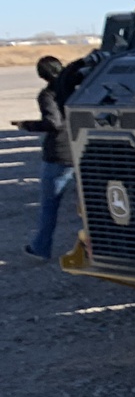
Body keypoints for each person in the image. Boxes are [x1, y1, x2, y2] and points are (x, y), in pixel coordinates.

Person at [17, 56, 74, 261]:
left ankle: (41, 247)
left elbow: (53, 123)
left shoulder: (48, 94)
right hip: (81, 151)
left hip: (59, 155)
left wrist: (27, 125)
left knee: (50, 206)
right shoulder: (76, 89)